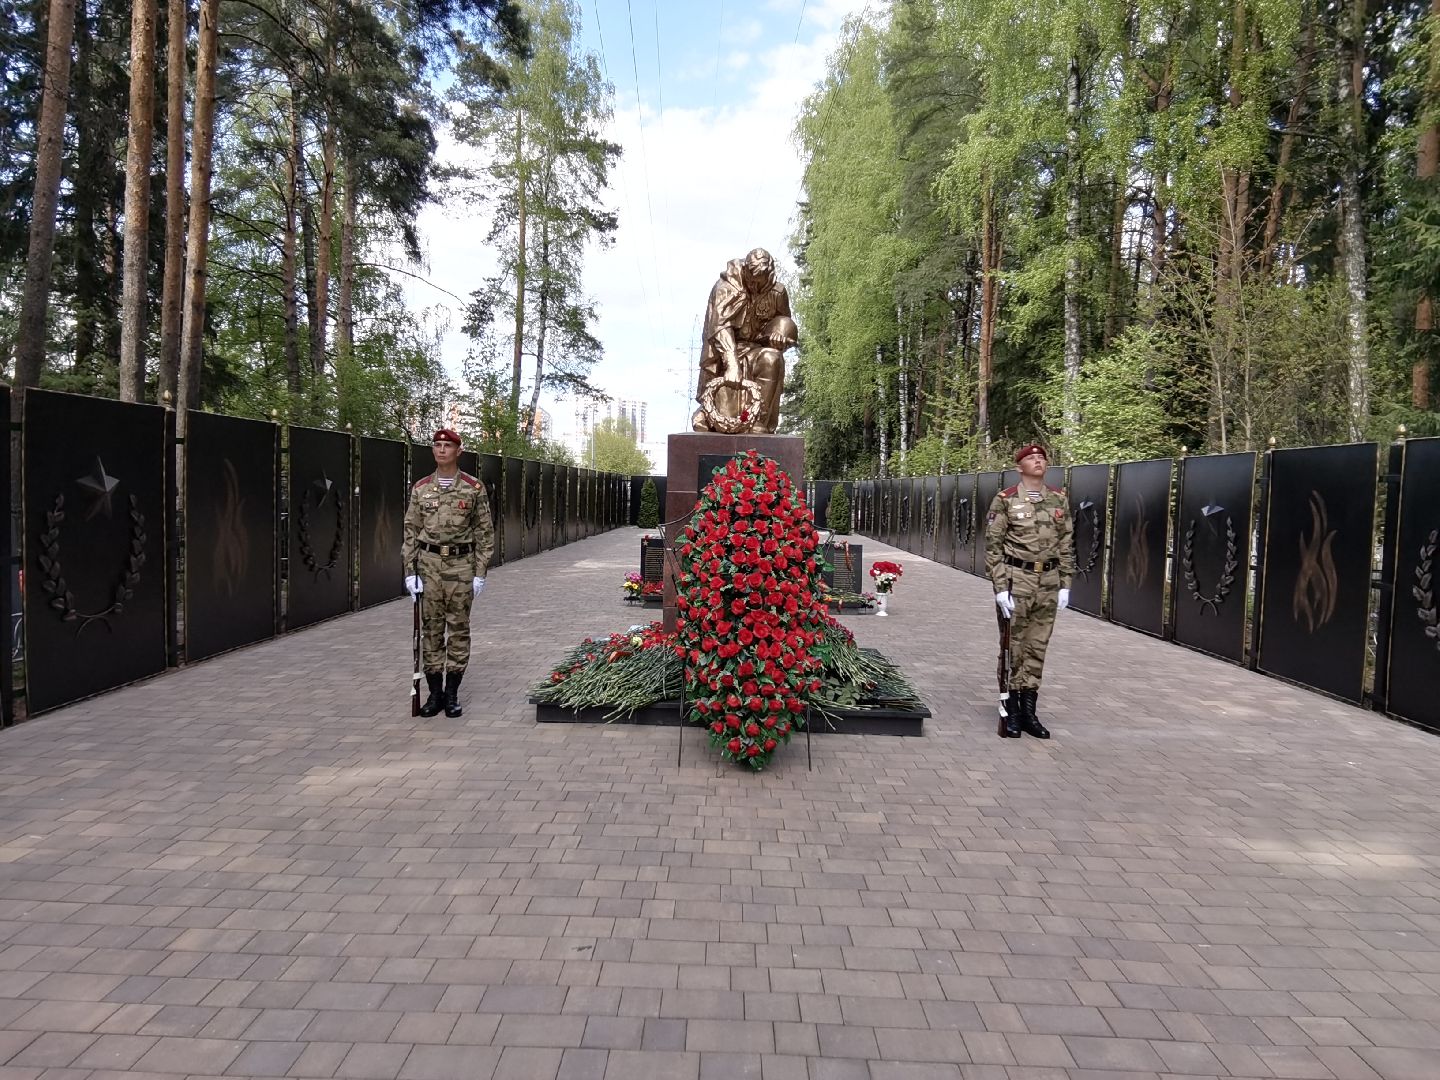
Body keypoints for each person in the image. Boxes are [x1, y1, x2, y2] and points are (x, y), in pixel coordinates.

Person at [402, 429, 495, 718]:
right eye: (437, 445)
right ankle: (435, 694)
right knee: (431, 629)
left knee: (458, 629)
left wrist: (480, 572)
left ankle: (452, 693)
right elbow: (411, 531)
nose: (442, 450)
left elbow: (485, 533)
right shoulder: (420, 489)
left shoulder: (473, 488)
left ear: (458, 451)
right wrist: (409, 570)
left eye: (448, 446)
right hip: (428, 566)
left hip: (460, 566)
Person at [985, 443, 1075, 738]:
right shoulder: (1006, 500)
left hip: (1048, 582)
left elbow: (1065, 544)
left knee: (1037, 646)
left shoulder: (1058, 500)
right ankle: (1010, 710)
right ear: (1019, 467)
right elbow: (993, 547)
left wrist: (1065, 584)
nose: (1038, 461)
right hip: (1016, 580)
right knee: (1013, 646)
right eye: (1031, 458)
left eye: (1042, 457)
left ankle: (1029, 712)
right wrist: (1000, 588)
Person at [694, 247, 797, 434]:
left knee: (772, 359)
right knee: (728, 373)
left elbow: (784, 322)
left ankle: (758, 421)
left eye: (760, 283)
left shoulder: (778, 292)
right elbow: (720, 326)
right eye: (751, 282)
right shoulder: (725, 287)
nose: (755, 287)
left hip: (758, 349)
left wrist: (779, 337)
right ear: (745, 271)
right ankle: (708, 414)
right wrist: (731, 363)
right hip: (726, 349)